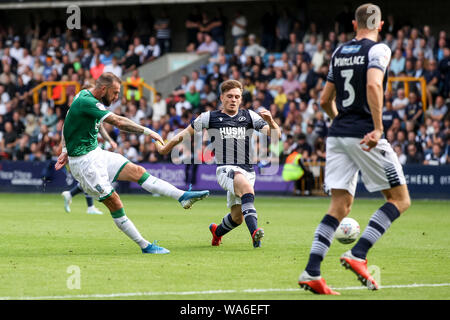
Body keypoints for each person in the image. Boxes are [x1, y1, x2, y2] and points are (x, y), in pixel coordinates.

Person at [298, 4, 411, 295]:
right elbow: (374, 85)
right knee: (399, 199)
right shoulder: (379, 50)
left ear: (353, 23)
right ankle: (357, 254)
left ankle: (312, 272)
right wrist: (378, 128)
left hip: (337, 135)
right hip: (363, 133)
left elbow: (324, 100)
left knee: (339, 207)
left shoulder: (338, 52)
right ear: (381, 24)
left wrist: (341, 121)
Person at [54, 72, 209, 254]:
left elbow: (67, 121)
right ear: (103, 89)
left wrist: (64, 149)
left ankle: (182, 196)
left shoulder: (82, 96)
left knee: (137, 171)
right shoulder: (86, 101)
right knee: (115, 202)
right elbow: (118, 122)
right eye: (115, 92)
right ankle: (145, 246)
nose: (117, 97)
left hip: (96, 154)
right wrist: (147, 131)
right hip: (84, 164)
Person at [156, 79, 281, 248]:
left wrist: (271, 121)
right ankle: (254, 233)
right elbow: (184, 134)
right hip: (225, 169)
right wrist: (165, 149)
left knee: (237, 217)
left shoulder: (249, 116)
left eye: (237, 96)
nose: (233, 100)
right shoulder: (210, 117)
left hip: (248, 170)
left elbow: (276, 135)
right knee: (246, 189)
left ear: (241, 99)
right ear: (221, 97)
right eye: (229, 96)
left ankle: (217, 232)